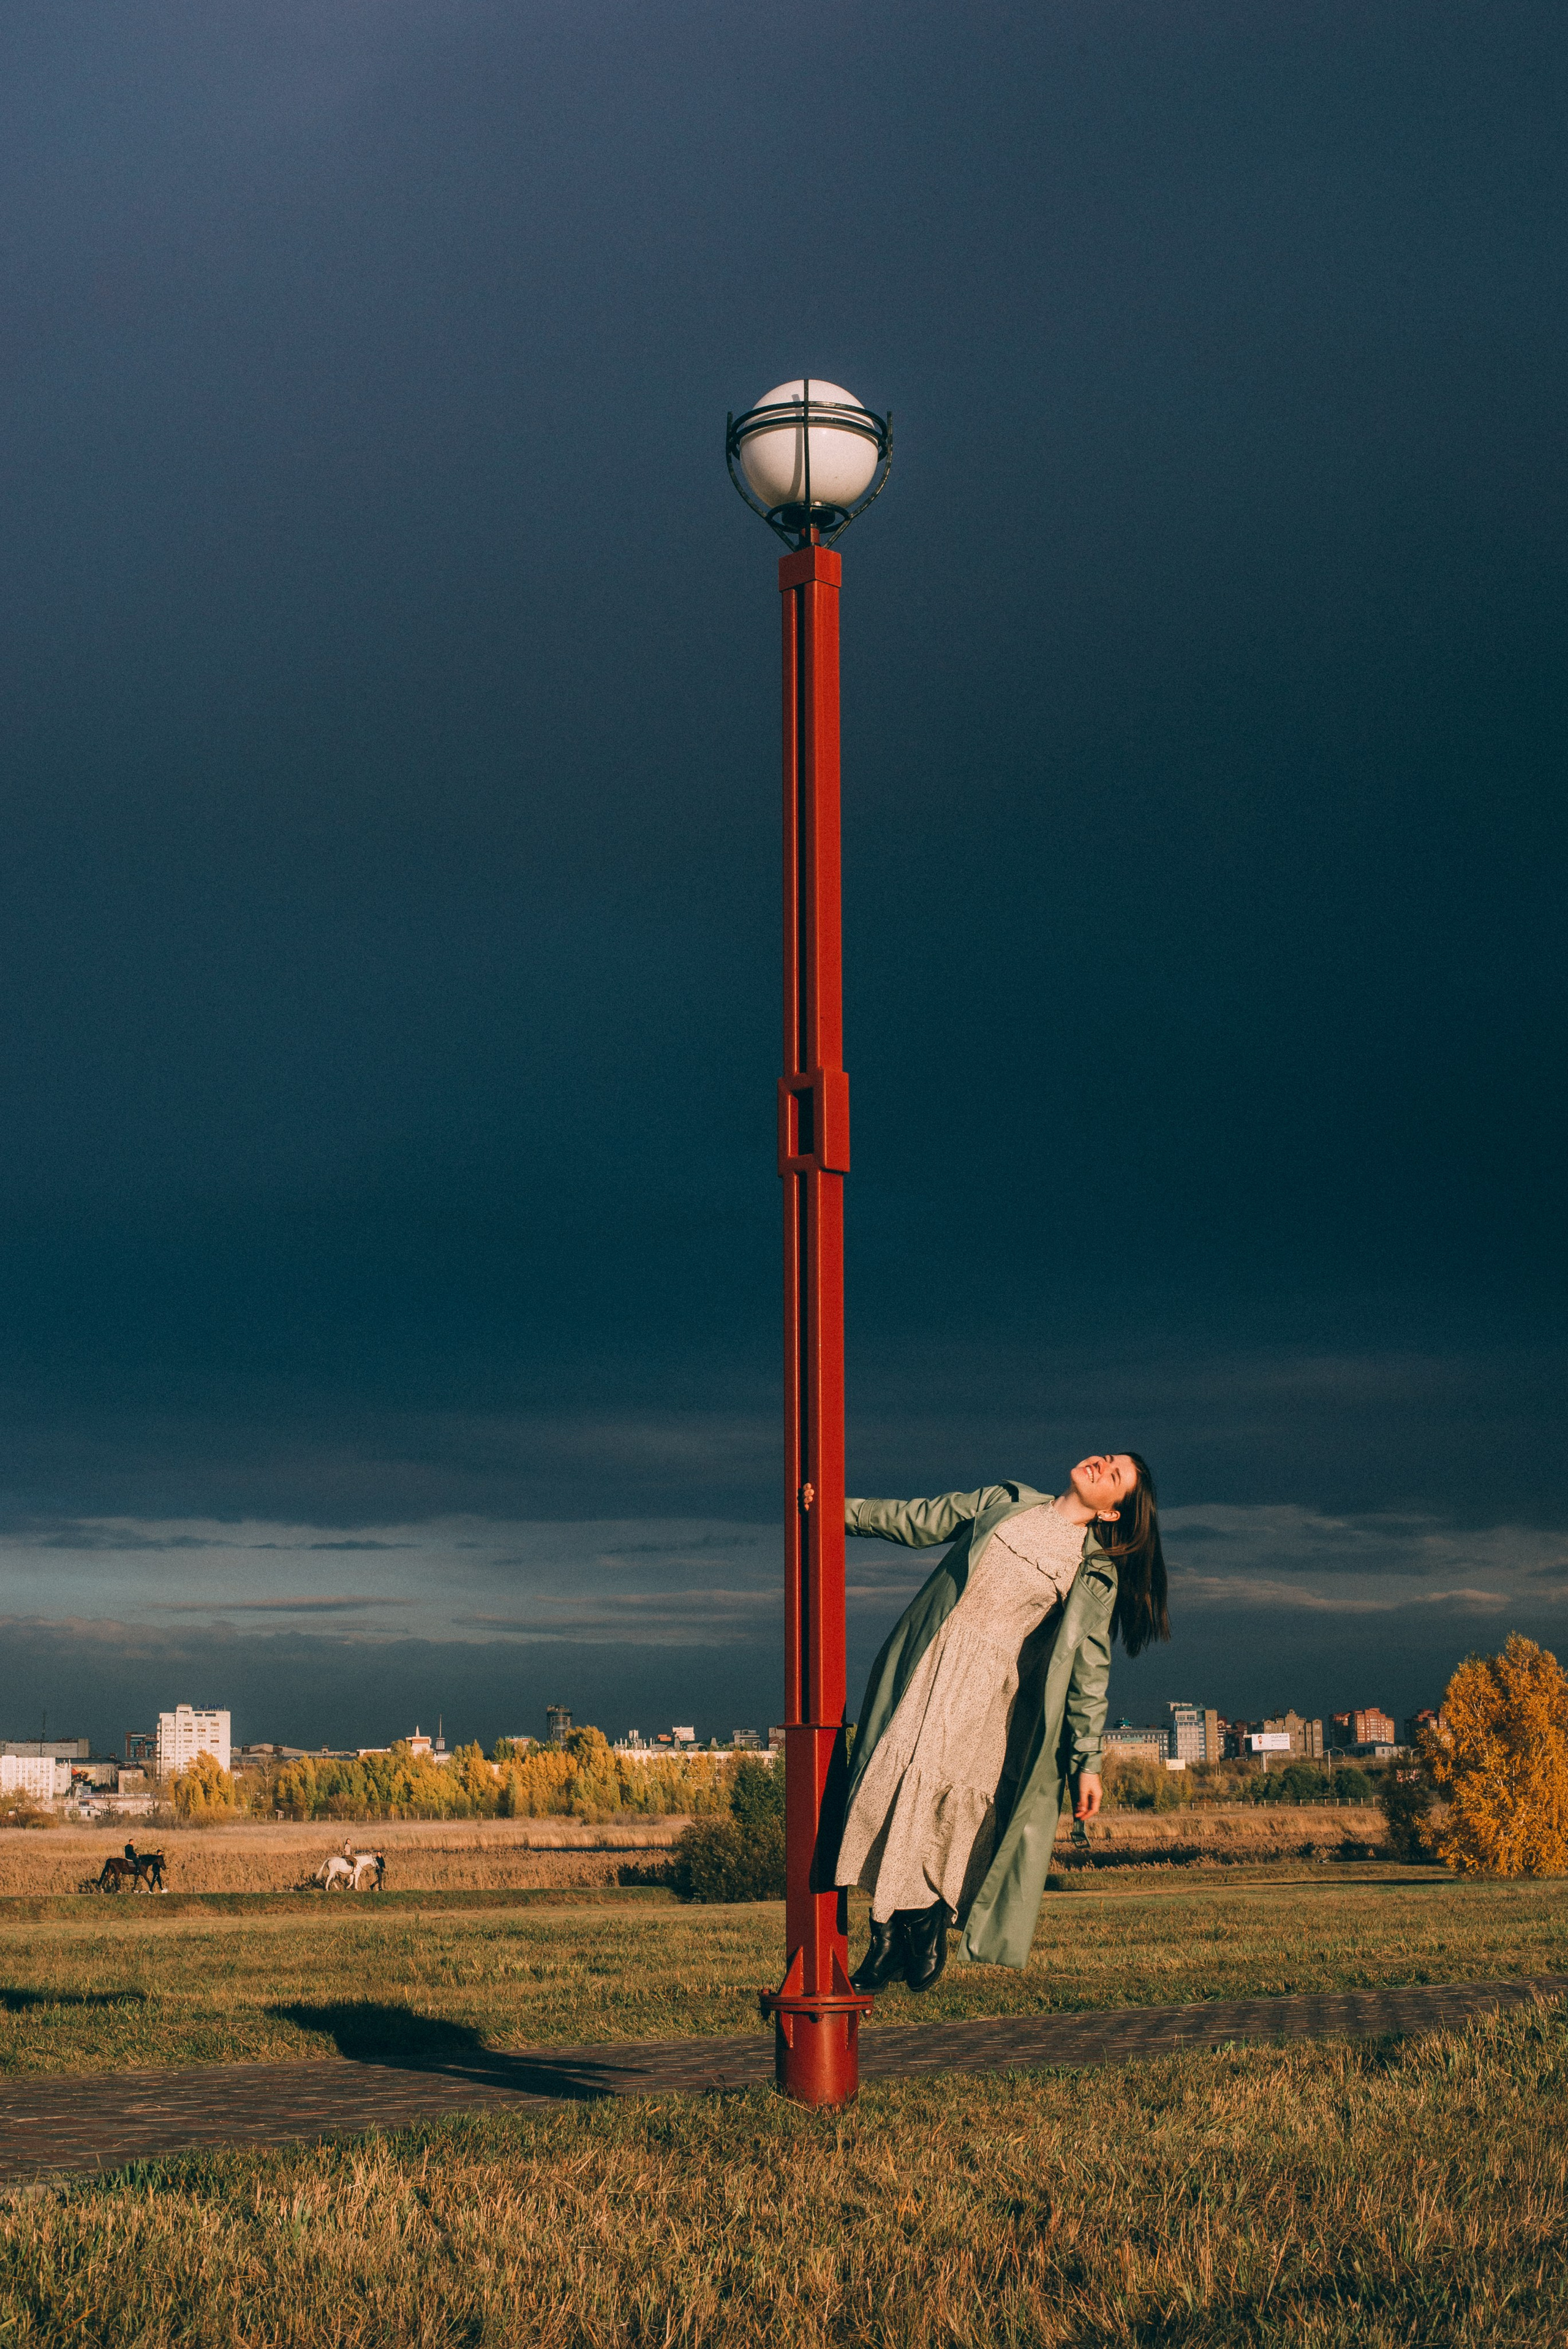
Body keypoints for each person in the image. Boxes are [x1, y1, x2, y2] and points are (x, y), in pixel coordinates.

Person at [835, 1453, 1169, 1994]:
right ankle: (891, 1932)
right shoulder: (1005, 1502)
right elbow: (918, 1518)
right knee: (888, 1792)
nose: (1101, 1467)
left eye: (1114, 1477)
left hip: (989, 1699)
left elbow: (1089, 1675)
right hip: (928, 1663)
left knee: (941, 1810)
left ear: (1111, 1515)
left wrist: (1088, 1763)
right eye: (1108, 1460)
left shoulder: (1092, 1574)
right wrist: (834, 1512)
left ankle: (924, 1921)